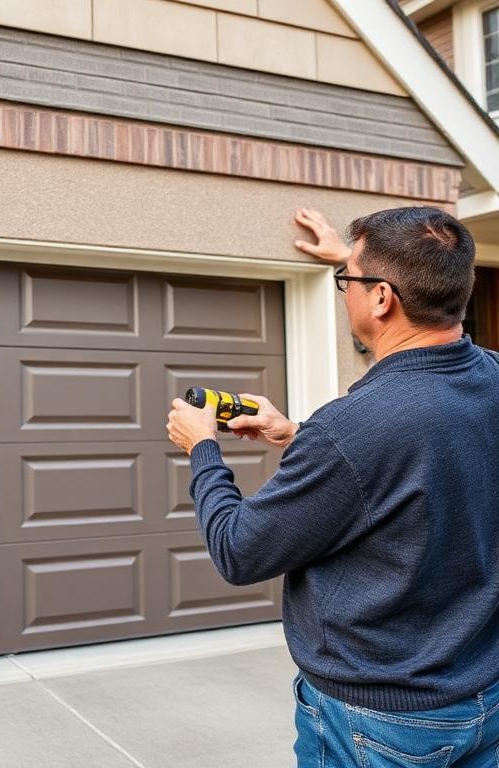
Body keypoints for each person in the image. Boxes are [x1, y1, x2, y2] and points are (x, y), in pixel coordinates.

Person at [165, 206, 499, 766]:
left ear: (382, 298)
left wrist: (202, 448)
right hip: (484, 694)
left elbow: (239, 551)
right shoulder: (490, 376)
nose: (345, 291)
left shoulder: (351, 429)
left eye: (348, 279)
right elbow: (423, 463)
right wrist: (295, 433)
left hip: (381, 719)